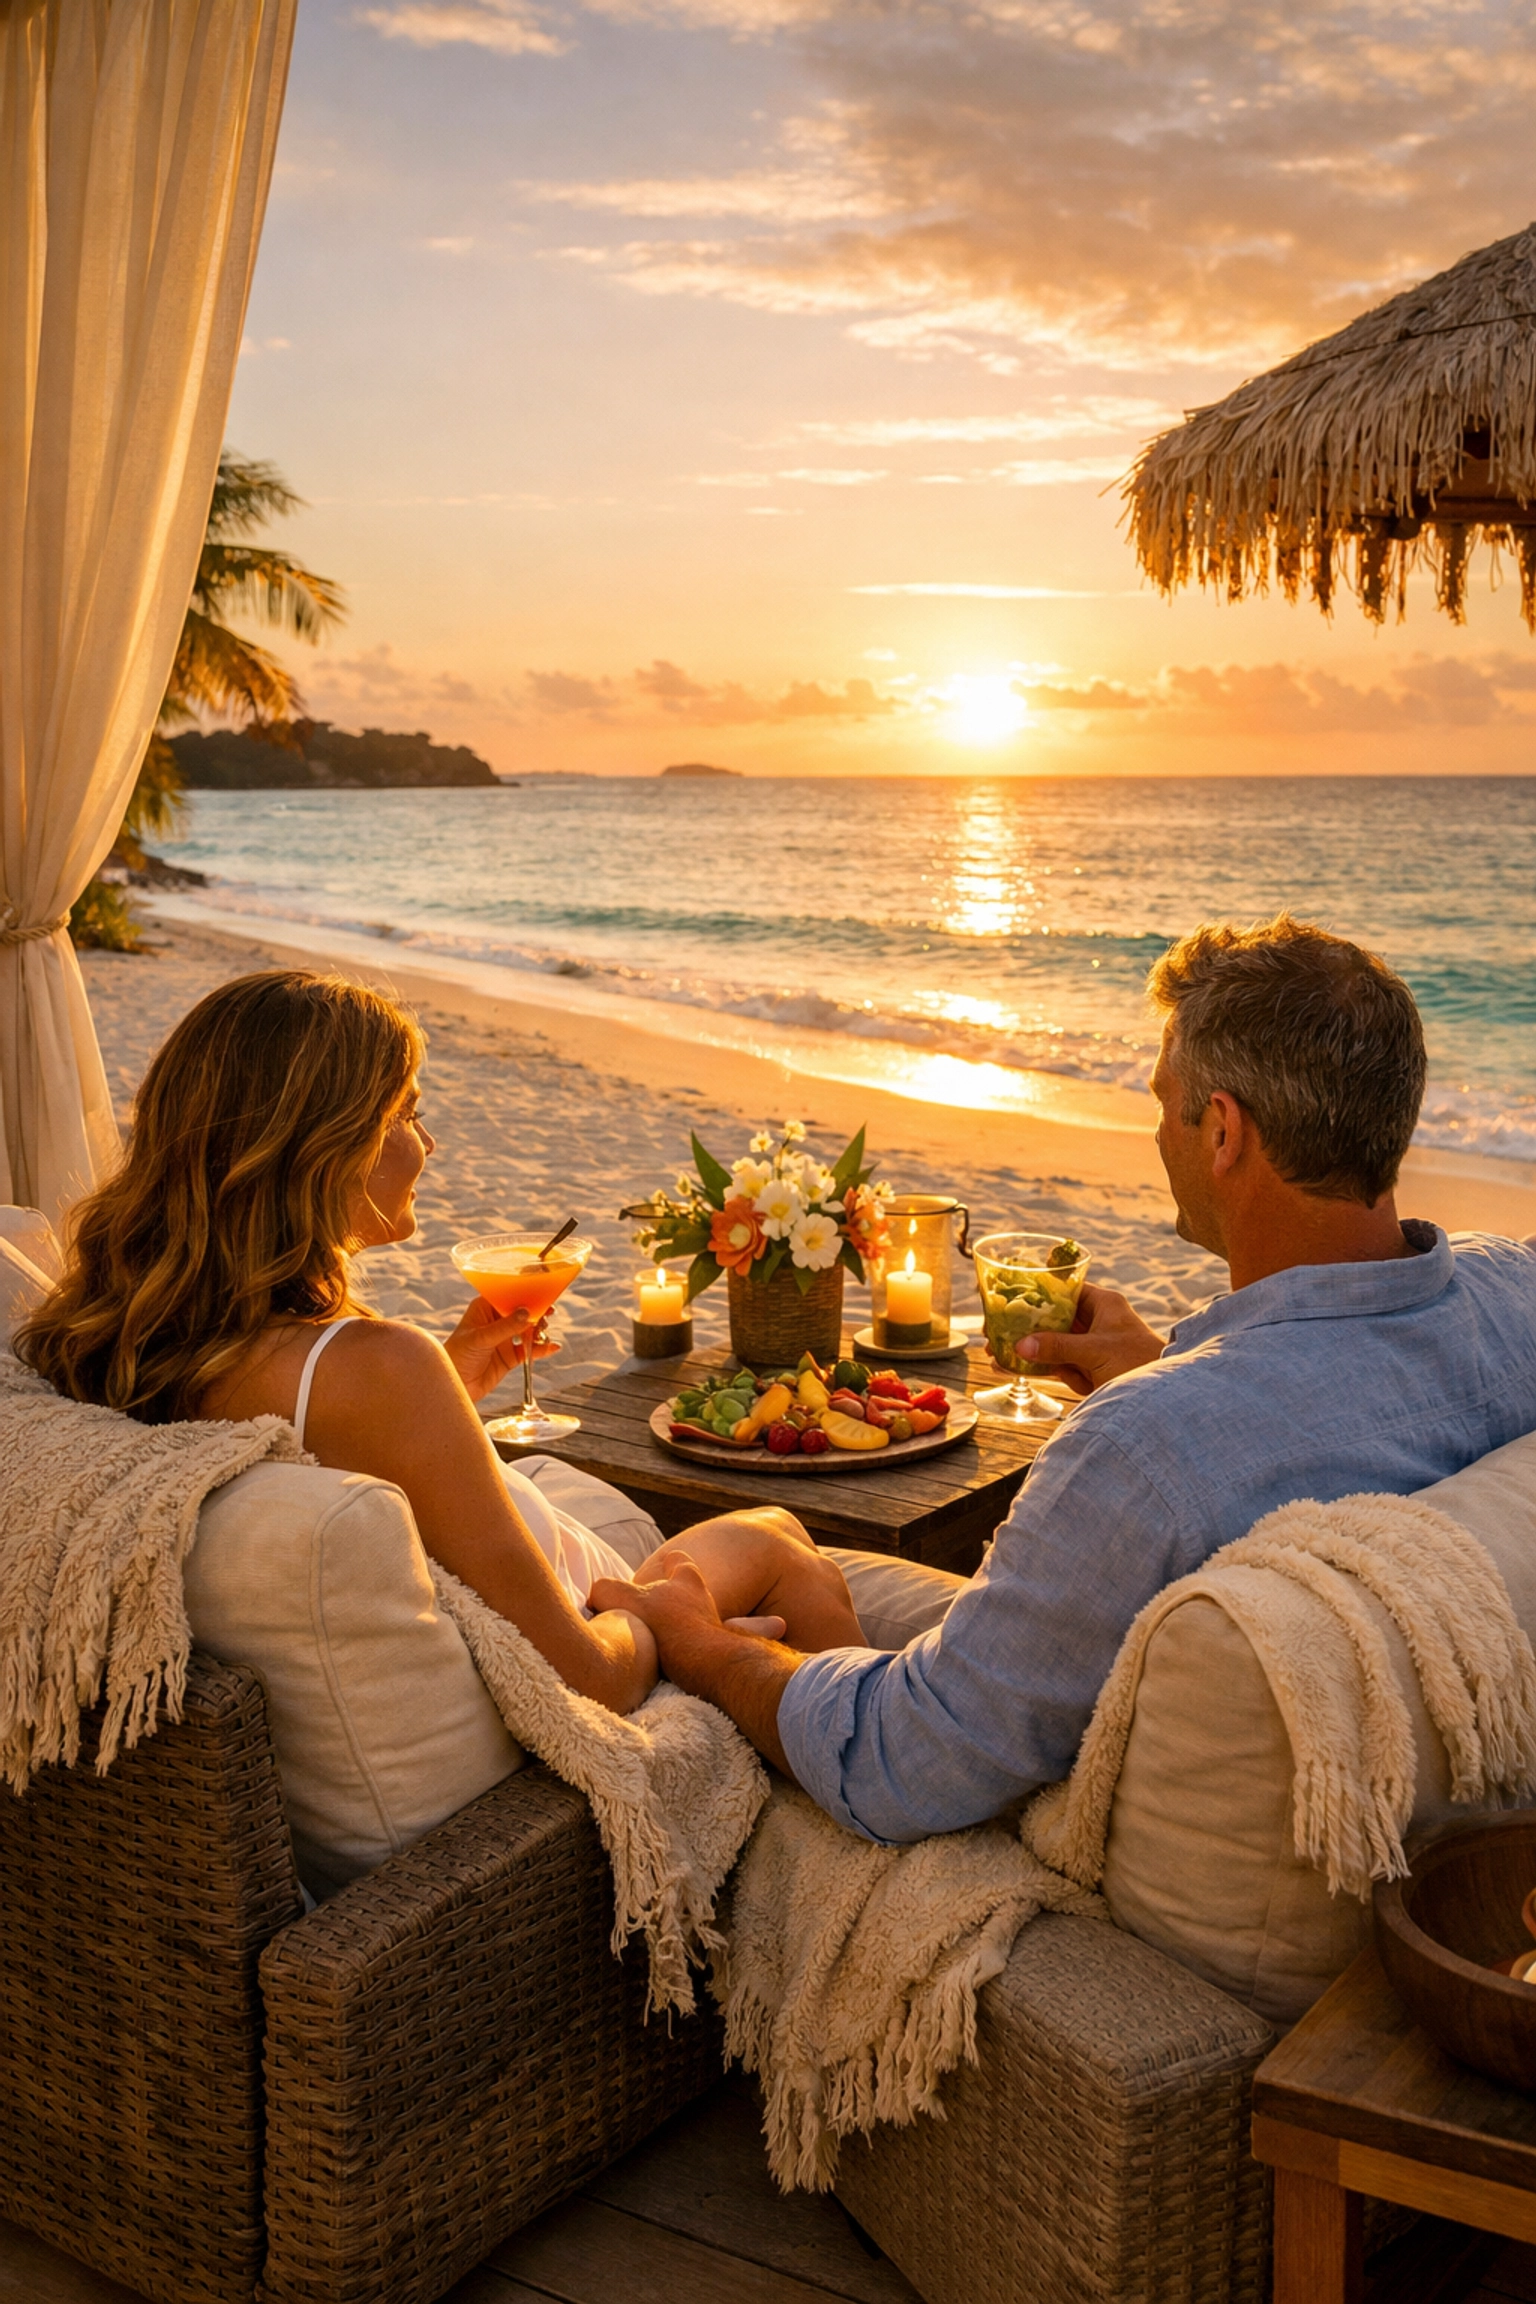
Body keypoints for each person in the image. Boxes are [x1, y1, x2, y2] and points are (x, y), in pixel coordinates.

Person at [591, 914, 1536, 1840]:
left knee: (753, 1558)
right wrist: (1177, 1368)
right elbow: (1336, 1420)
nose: (1156, 1132)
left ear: (1221, 1132)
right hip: (1451, 1846)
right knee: (786, 1555)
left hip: (1071, 1875)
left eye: (1164, 1101)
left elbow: (900, 1765)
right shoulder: (1517, 1296)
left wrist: (695, 1644)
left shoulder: (1141, 1450)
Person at [16, 970, 862, 1716]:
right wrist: (665, 1624)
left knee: (767, 1532)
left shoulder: (116, 1331)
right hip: (598, 1618)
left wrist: (450, 1381)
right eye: (409, 1114)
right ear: (329, 1148)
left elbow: (333, 1443)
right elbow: (590, 1677)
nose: (431, 1143)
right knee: (776, 1536)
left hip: (532, 1592)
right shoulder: (382, 1367)